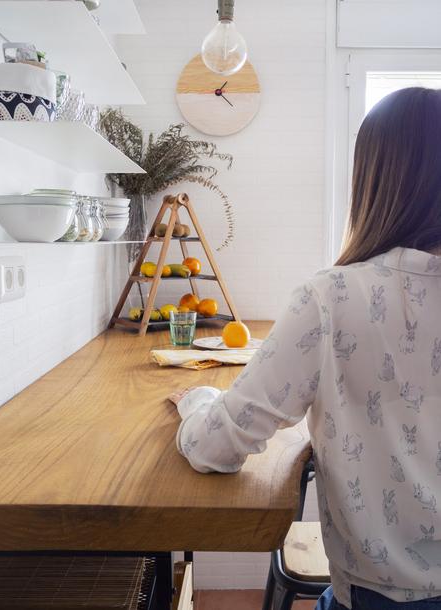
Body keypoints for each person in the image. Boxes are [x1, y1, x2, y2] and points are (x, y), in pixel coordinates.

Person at [169, 87, 441, 609]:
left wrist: (195, 400)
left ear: (372, 182)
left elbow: (216, 447)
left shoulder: (332, 298)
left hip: (380, 597)